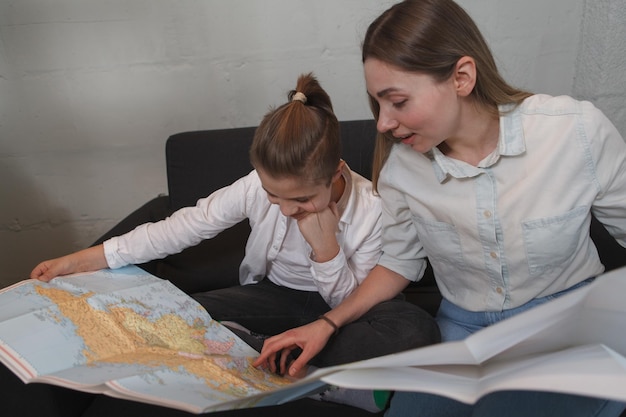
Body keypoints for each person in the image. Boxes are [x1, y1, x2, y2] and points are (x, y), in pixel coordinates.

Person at [254, 1, 626, 416]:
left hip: (563, 325)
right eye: (378, 104)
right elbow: (398, 263)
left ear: (462, 78)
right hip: (463, 329)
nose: (382, 123)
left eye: (397, 101)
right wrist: (327, 323)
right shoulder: (402, 170)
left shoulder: (575, 130)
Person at [10, 72, 439, 417]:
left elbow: (347, 305)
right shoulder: (255, 187)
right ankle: (273, 353)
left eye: (303, 200)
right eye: (276, 197)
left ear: (336, 173)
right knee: (172, 315)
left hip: (340, 312)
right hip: (272, 299)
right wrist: (83, 258)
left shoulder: (373, 211)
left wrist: (326, 250)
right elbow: (181, 227)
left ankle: (253, 352)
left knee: (413, 329)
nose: (287, 211)